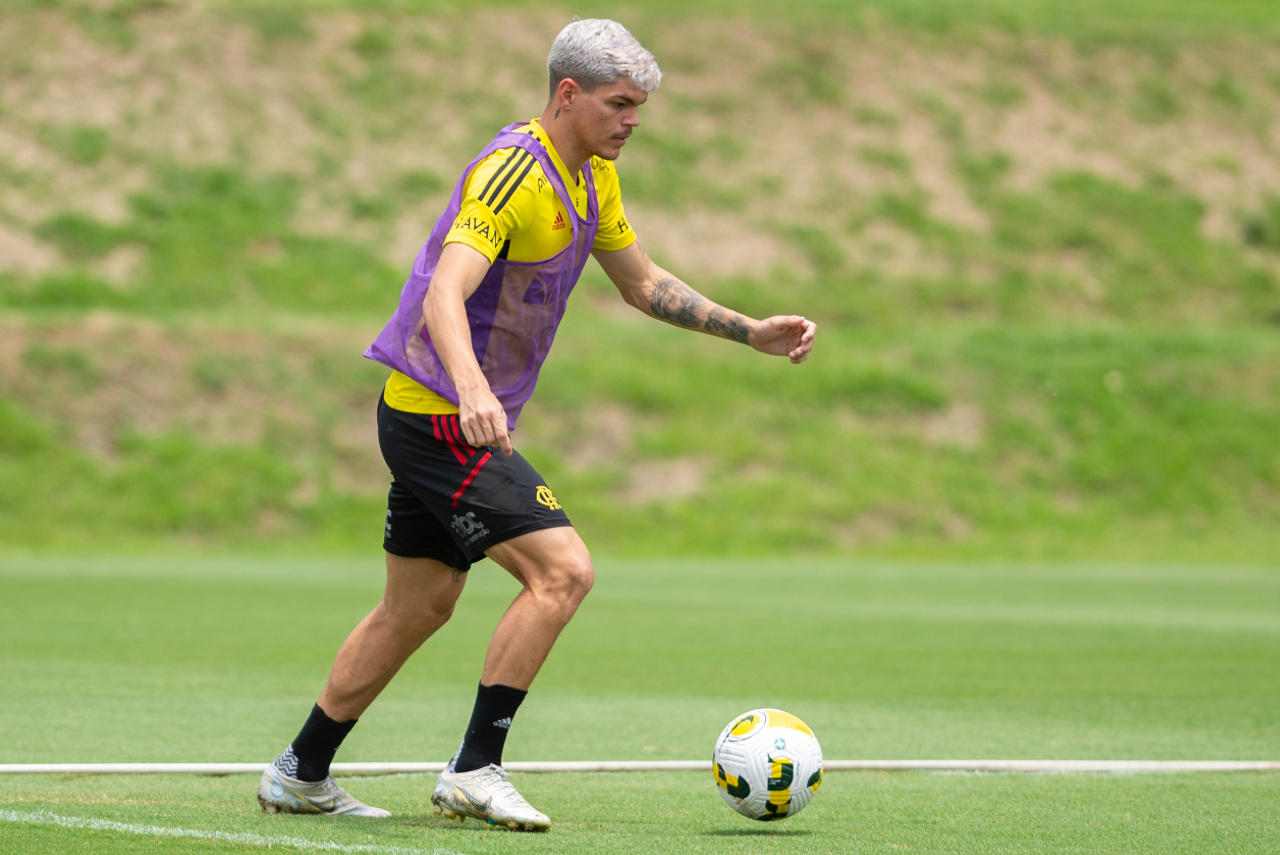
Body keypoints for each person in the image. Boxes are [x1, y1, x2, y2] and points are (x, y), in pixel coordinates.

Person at [257, 18, 816, 832]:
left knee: (415, 608)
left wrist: (747, 330)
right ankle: (476, 768)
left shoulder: (592, 176)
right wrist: (475, 390)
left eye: (640, 107)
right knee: (563, 571)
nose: (632, 120)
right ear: (567, 93)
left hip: (437, 420)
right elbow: (447, 291)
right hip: (442, 420)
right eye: (619, 103)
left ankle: (299, 770)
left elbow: (641, 281)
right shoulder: (511, 172)